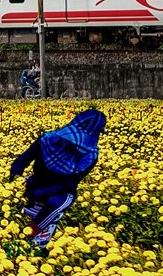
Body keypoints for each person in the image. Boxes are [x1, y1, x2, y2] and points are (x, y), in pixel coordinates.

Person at [9, 108, 108, 254]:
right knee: (12, 203)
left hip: (63, 192)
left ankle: (32, 236)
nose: (76, 147)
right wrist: (14, 182)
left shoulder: (90, 156)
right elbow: (22, 160)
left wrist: (36, 194)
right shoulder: (47, 140)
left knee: (54, 203)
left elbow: (66, 185)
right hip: (37, 183)